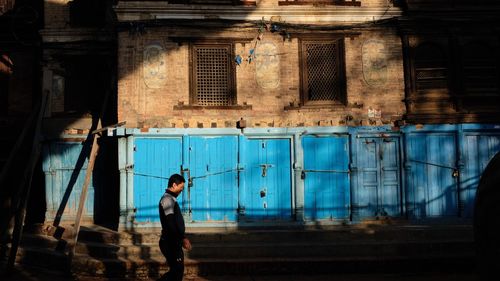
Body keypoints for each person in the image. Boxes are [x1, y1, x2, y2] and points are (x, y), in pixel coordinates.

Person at [158, 174, 192, 281]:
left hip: (173, 241)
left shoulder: (171, 198)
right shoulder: (167, 199)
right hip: (170, 242)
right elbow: (171, 222)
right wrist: (183, 238)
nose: (181, 191)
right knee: (177, 271)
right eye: (181, 188)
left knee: (177, 270)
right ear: (174, 185)